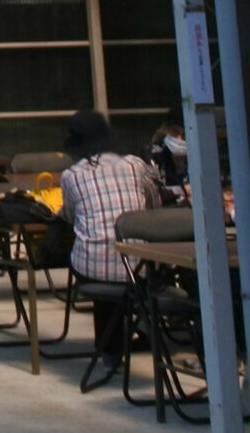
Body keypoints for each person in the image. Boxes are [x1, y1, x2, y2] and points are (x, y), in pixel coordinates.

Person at [54, 107, 165, 384]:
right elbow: (154, 205)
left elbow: (68, 215)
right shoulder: (134, 164)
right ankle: (145, 324)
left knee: (101, 272)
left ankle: (110, 355)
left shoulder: (71, 176)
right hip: (139, 265)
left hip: (94, 266)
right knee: (140, 271)